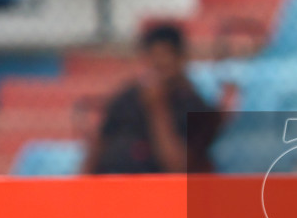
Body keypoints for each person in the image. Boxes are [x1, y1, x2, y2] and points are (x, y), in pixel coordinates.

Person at [82, 24, 220, 175]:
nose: (159, 63)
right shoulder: (127, 98)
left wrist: (157, 108)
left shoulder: (195, 107)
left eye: (165, 55)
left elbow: (178, 166)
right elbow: (99, 147)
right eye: (153, 56)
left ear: (180, 58)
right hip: (116, 184)